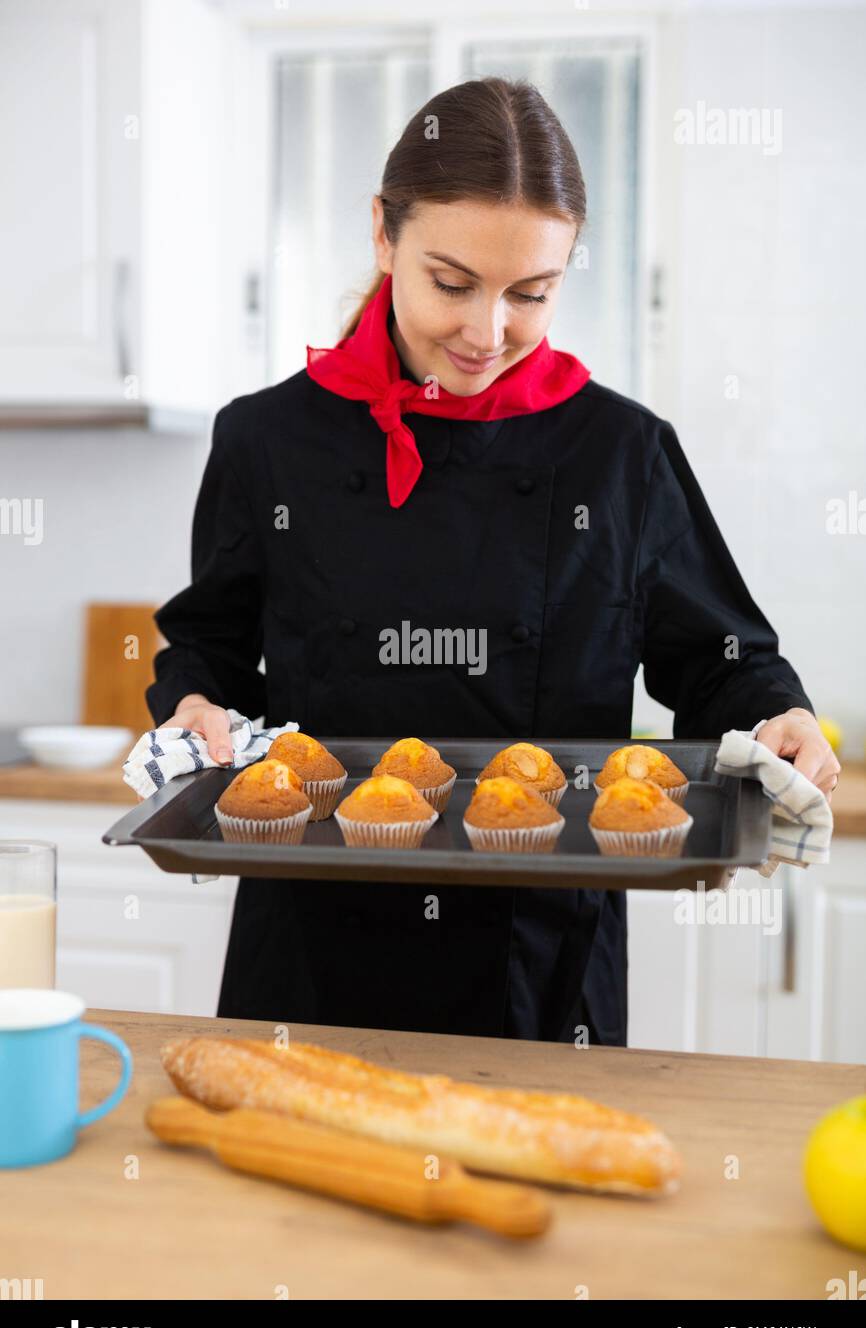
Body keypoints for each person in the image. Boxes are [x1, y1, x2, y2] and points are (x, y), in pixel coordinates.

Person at [145, 77, 839, 1047]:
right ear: (382, 236)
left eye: (530, 294)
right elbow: (208, 647)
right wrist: (192, 705)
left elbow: (718, 661)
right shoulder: (268, 441)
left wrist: (779, 713)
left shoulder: (619, 453)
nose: (486, 333)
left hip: (539, 969)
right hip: (305, 965)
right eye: (451, 282)